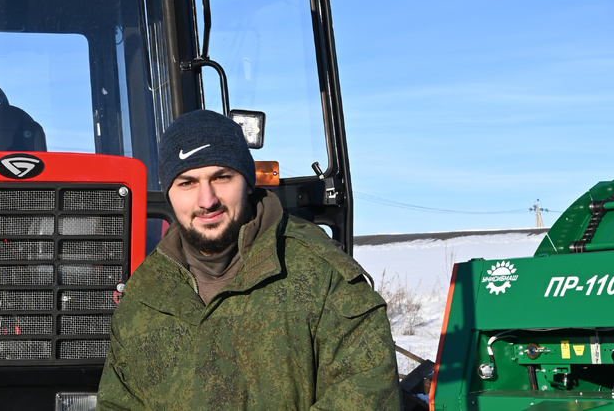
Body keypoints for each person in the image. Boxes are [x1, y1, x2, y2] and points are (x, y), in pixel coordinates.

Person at [98, 110, 400, 410]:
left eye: (222, 177)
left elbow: (367, 392)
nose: (207, 200)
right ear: (170, 193)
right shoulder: (145, 297)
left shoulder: (322, 276)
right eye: (187, 183)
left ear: (247, 182)